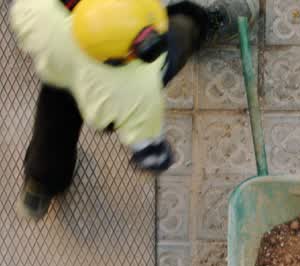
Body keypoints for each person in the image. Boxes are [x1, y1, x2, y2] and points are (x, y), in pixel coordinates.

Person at [9, 0, 256, 219]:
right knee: (180, 32)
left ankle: (43, 181)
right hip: (120, 72)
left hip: (69, 33)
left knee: (59, 100)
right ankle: (204, 21)